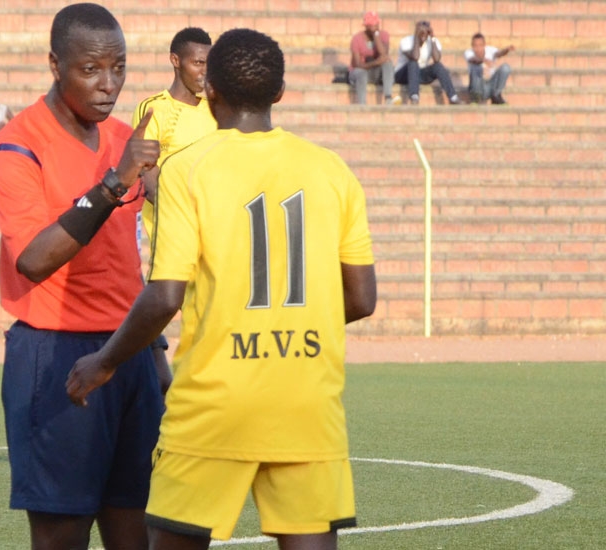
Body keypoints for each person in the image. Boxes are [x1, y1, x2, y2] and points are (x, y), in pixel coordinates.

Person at [67, 28, 377, 550]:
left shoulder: (187, 169)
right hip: (306, 398)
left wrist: (103, 362)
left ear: (209, 90)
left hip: (216, 400)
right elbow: (362, 299)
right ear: (279, 94)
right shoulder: (333, 172)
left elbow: (165, 295)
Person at [0, 4, 165, 550]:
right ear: (55, 64)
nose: (108, 84)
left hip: (129, 351)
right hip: (56, 357)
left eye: (119, 67)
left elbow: (129, 257)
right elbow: (35, 259)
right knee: (62, 533)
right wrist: (114, 183)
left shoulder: (122, 138)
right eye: (91, 70)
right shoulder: (17, 145)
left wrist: (153, 352)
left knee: (136, 527)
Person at [131, 26, 216, 239]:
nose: (205, 71)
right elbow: (150, 183)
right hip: (173, 237)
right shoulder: (153, 109)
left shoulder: (217, 110)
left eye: (209, 64)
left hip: (213, 234)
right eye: (198, 63)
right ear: (175, 61)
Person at [395, 20, 462, 105]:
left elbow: (437, 59)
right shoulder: (406, 41)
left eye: (425, 31)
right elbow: (415, 57)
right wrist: (417, 37)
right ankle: (414, 96)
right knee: (413, 63)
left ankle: (453, 97)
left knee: (438, 66)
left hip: (419, 74)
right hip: (403, 74)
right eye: (421, 31)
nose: (423, 34)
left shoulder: (432, 41)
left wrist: (432, 37)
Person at [349, 11, 398, 105]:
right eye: (371, 25)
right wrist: (376, 63)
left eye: (376, 25)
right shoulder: (357, 39)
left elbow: (384, 55)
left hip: (375, 73)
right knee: (361, 73)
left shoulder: (383, 35)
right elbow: (357, 64)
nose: (374, 28)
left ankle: (388, 98)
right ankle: (362, 104)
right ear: (365, 26)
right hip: (359, 73)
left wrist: (376, 36)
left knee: (388, 63)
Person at [465, 33, 515, 105]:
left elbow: (499, 54)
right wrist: (484, 60)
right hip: (478, 86)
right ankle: (476, 97)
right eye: (475, 46)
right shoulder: (469, 52)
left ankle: (496, 95)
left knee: (505, 68)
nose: (478, 48)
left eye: (480, 45)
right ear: (472, 46)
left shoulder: (490, 50)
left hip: (490, 85)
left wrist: (506, 50)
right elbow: (473, 60)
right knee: (476, 67)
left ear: (484, 45)